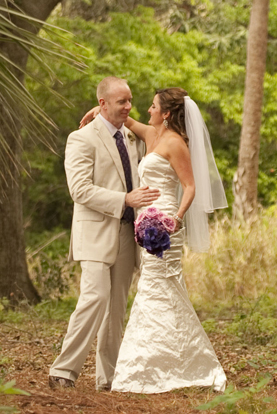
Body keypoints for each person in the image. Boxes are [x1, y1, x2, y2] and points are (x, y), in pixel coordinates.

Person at [81, 86, 227, 393]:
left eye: (153, 106)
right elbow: (124, 119)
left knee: (157, 289)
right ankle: (164, 361)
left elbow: (190, 187)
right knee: (158, 289)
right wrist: (97, 112)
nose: (147, 110)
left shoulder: (175, 143)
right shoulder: (152, 134)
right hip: (144, 220)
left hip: (165, 223)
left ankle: (146, 367)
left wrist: (176, 218)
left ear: (167, 113)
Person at [48, 76, 160, 391]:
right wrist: (124, 199)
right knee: (94, 297)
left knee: (116, 307)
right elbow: (79, 189)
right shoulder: (81, 138)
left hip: (128, 233)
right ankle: (63, 371)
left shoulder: (131, 137)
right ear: (103, 104)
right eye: (121, 101)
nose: (128, 106)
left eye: (130, 100)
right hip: (95, 233)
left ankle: (108, 377)